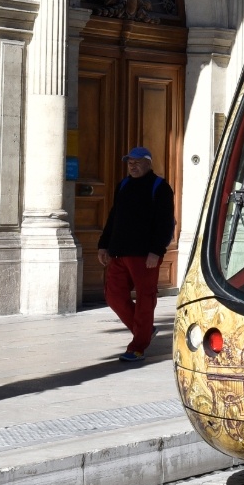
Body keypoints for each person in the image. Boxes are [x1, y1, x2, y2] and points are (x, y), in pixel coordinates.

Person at [97, 147, 176, 363]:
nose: (132, 165)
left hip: (145, 255)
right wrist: (103, 245)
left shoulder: (160, 187)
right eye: (130, 162)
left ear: (148, 163)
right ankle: (144, 330)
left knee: (145, 299)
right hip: (119, 252)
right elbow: (114, 217)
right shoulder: (123, 185)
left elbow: (165, 222)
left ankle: (138, 346)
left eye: (137, 161)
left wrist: (156, 251)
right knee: (113, 296)